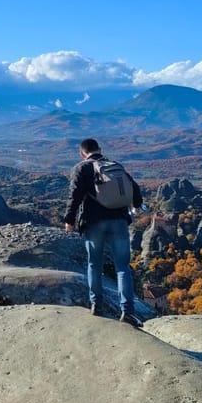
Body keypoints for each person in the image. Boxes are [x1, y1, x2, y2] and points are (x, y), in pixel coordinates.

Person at [64, 138, 144, 326]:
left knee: (94, 264)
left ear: (82, 153)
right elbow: (134, 187)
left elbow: (75, 195)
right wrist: (137, 205)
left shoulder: (81, 168)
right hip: (119, 221)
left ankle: (96, 305)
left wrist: (69, 219)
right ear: (99, 149)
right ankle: (127, 311)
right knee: (122, 267)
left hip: (94, 222)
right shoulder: (115, 165)